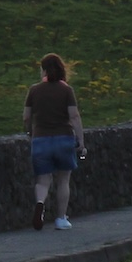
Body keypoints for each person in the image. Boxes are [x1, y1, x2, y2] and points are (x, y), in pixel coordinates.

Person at [24, 52, 84, 230]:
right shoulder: (66, 90)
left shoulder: (34, 90)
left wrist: (30, 132)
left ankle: (40, 203)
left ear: (43, 70)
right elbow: (74, 116)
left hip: (40, 139)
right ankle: (61, 219)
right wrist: (80, 140)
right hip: (63, 139)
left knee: (43, 180)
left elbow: (26, 117)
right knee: (63, 180)